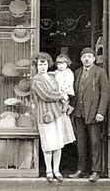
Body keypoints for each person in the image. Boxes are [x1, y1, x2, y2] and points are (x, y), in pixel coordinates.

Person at [31, 52, 75, 182]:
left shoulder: (52, 77)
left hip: (57, 114)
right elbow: (45, 95)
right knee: (48, 145)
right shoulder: (36, 80)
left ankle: (56, 170)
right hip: (46, 115)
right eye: (40, 64)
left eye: (45, 64)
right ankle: (49, 170)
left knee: (58, 144)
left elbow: (58, 89)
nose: (43, 67)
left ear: (48, 64)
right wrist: (61, 96)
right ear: (36, 65)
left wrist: (63, 99)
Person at [69, 47, 110, 182]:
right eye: (84, 56)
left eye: (89, 56)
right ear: (81, 59)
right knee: (80, 143)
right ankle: (81, 169)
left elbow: (105, 94)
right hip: (78, 113)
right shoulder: (77, 72)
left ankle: (96, 171)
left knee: (95, 143)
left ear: (94, 58)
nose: (86, 58)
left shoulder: (100, 72)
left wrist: (101, 112)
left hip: (94, 113)